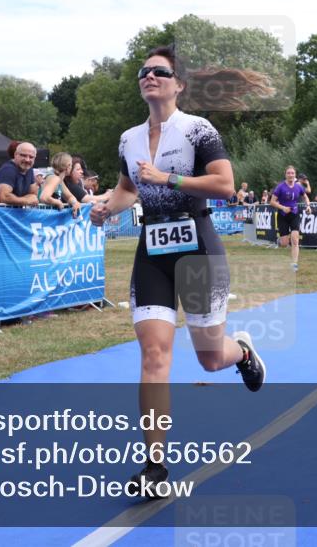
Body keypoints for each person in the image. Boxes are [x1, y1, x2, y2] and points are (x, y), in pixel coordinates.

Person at [88, 45, 266, 497]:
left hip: (198, 249)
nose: (149, 76)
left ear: (178, 84)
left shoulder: (197, 130)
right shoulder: (128, 138)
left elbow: (225, 185)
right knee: (154, 356)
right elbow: (129, 188)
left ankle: (241, 353)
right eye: (143, 71)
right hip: (153, 251)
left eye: (159, 72)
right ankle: (154, 466)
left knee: (209, 357)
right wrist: (107, 207)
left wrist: (168, 179)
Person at [271, 165, 312, 272]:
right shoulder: (280, 187)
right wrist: (283, 208)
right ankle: (279, 241)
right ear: (285, 174)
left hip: (294, 214)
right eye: (288, 173)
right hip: (282, 215)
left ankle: (294, 264)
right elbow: (272, 201)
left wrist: (308, 206)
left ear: (295, 175)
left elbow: (305, 197)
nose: (290, 175)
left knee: (295, 240)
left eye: (292, 173)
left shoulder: (298, 187)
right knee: (284, 243)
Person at [0, 141, 40, 206]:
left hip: (11, 214)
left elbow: (33, 195)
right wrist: (26, 200)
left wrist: (26, 199)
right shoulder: (8, 169)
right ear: (15, 154)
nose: (27, 160)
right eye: (23, 155)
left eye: (31, 157)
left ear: (35, 158)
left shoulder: (29, 169)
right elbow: (3, 197)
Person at [39, 152, 82, 217]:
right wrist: (57, 202)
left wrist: (74, 202)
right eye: (71, 165)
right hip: (42, 217)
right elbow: (44, 198)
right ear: (68, 166)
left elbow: (69, 196)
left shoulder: (59, 180)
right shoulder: (54, 178)